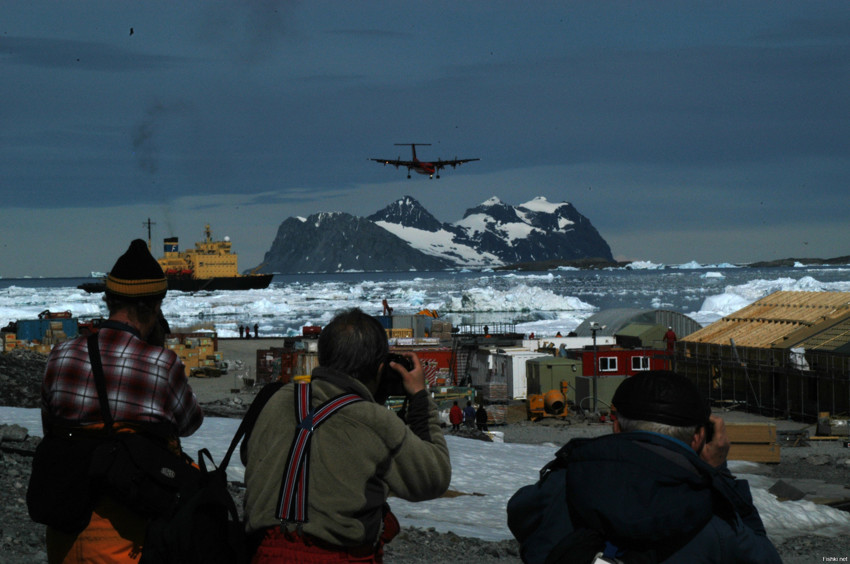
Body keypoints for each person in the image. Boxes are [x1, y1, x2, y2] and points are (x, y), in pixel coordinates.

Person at [243, 308, 451, 563]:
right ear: (379, 369)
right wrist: (419, 397)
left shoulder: (279, 400)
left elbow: (249, 456)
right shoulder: (374, 421)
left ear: (324, 356)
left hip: (264, 553)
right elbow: (434, 477)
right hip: (338, 556)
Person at [41, 239, 204, 564]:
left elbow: (50, 426)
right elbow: (190, 424)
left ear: (110, 300)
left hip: (63, 536)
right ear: (152, 307)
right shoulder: (161, 364)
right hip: (127, 542)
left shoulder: (60, 356)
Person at [508, 370, 780, 564]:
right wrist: (720, 474)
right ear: (698, 437)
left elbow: (520, 515)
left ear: (616, 426)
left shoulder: (562, 486)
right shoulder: (714, 519)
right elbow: (764, 555)